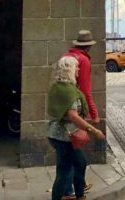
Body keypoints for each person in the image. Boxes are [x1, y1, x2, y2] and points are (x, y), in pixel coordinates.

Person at [47, 56, 104, 200]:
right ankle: (76, 196)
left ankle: (71, 194)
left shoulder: (57, 86)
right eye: (76, 67)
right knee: (69, 168)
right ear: (70, 70)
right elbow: (73, 116)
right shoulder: (69, 92)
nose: (78, 69)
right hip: (65, 137)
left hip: (56, 135)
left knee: (71, 166)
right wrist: (94, 130)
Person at [64, 30, 99, 124]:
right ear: (89, 46)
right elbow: (85, 90)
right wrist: (94, 114)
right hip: (75, 106)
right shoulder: (83, 60)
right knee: (78, 136)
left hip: (61, 104)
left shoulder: (65, 56)